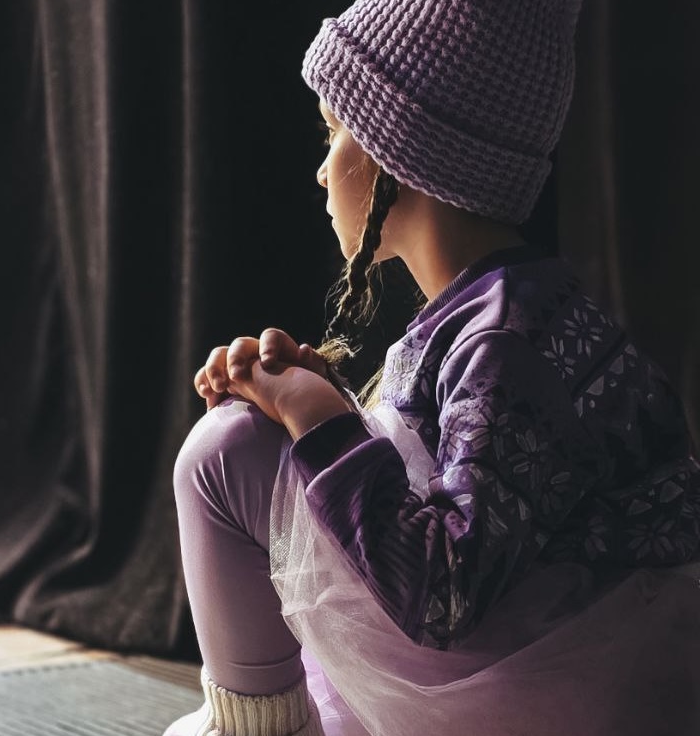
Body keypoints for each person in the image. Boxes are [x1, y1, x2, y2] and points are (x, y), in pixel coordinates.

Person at [163, 1, 700, 735]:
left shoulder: (500, 342)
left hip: (548, 693)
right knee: (259, 431)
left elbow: (445, 593)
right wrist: (323, 408)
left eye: (334, 131)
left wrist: (317, 419)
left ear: (397, 149)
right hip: (600, 674)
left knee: (224, 451)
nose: (321, 171)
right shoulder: (522, 309)